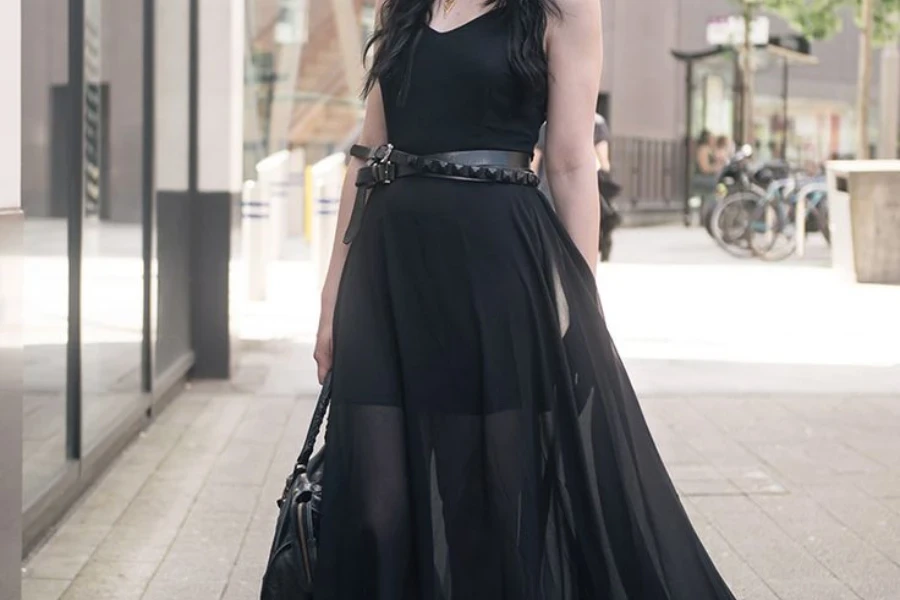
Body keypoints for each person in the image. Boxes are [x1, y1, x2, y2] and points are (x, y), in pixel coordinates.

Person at [312, 0, 738, 598]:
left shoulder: (560, 8)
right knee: (376, 501)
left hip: (496, 269)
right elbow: (367, 150)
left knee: (485, 494)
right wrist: (333, 288)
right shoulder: (402, 3)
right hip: (387, 271)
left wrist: (579, 298)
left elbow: (569, 161)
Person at [533, 113, 620, 261]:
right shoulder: (596, 122)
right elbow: (603, 159)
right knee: (581, 221)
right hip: (583, 181)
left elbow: (536, 157)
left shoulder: (548, 123)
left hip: (548, 184)